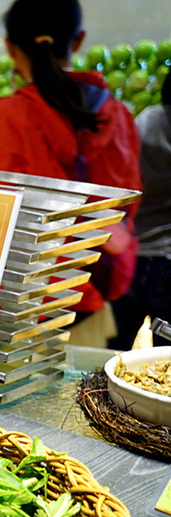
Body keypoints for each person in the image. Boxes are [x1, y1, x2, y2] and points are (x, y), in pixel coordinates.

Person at [0, 0, 141, 347]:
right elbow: (128, 206)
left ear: (12, 48)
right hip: (88, 310)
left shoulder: (8, 118)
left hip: (13, 315)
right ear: (77, 41)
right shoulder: (118, 117)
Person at [111, 71, 171, 349]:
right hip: (166, 259)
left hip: (131, 253)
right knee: (165, 355)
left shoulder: (147, 120)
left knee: (111, 351)